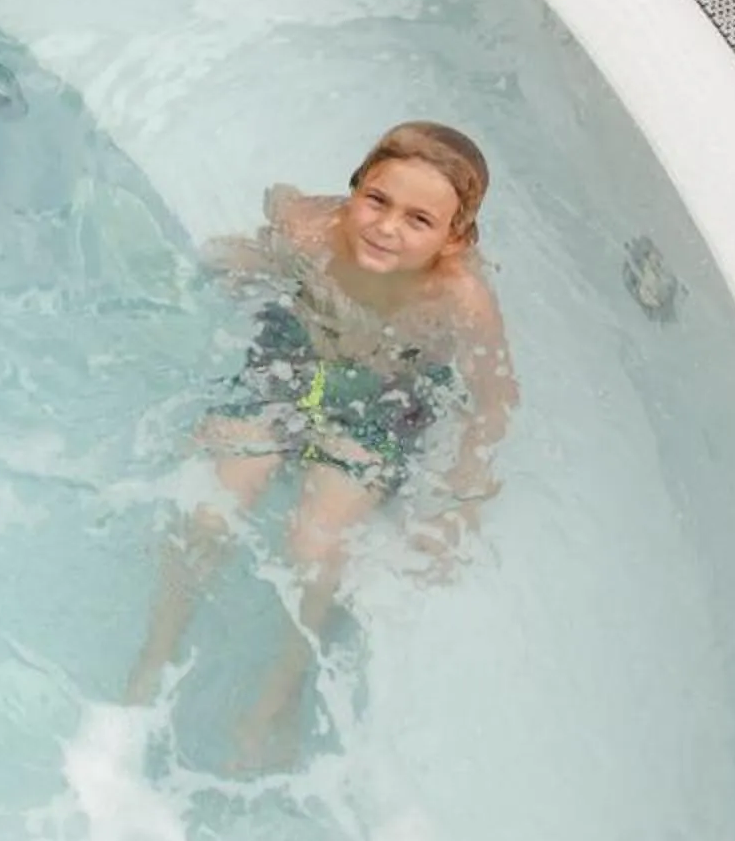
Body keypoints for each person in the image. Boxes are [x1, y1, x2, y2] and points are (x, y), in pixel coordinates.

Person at [123, 122, 519, 766]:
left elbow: (496, 399)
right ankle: (155, 650)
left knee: (314, 545)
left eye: (419, 220)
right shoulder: (310, 227)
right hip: (297, 352)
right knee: (211, 507)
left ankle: (276, 701)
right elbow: (272, 214)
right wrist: (245, 263)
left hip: (388, 390)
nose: (386, 227)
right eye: (377, 200)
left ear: (456, 239)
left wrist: (461, 501)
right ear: (355, 187)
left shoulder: (461, 299)